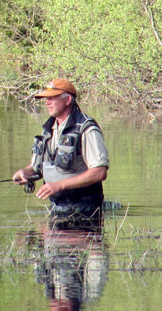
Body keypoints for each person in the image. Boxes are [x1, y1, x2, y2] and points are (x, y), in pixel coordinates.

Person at [12, 78, 109, 227]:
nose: (47, 102)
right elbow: (38, 167)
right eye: (46, 98)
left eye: (52, 98)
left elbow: (99, 172)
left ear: (68, 99)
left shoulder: (87, 129)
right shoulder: (48, 130)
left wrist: (59, 185)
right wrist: (26, 173)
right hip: (57, 210)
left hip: (87, 213)